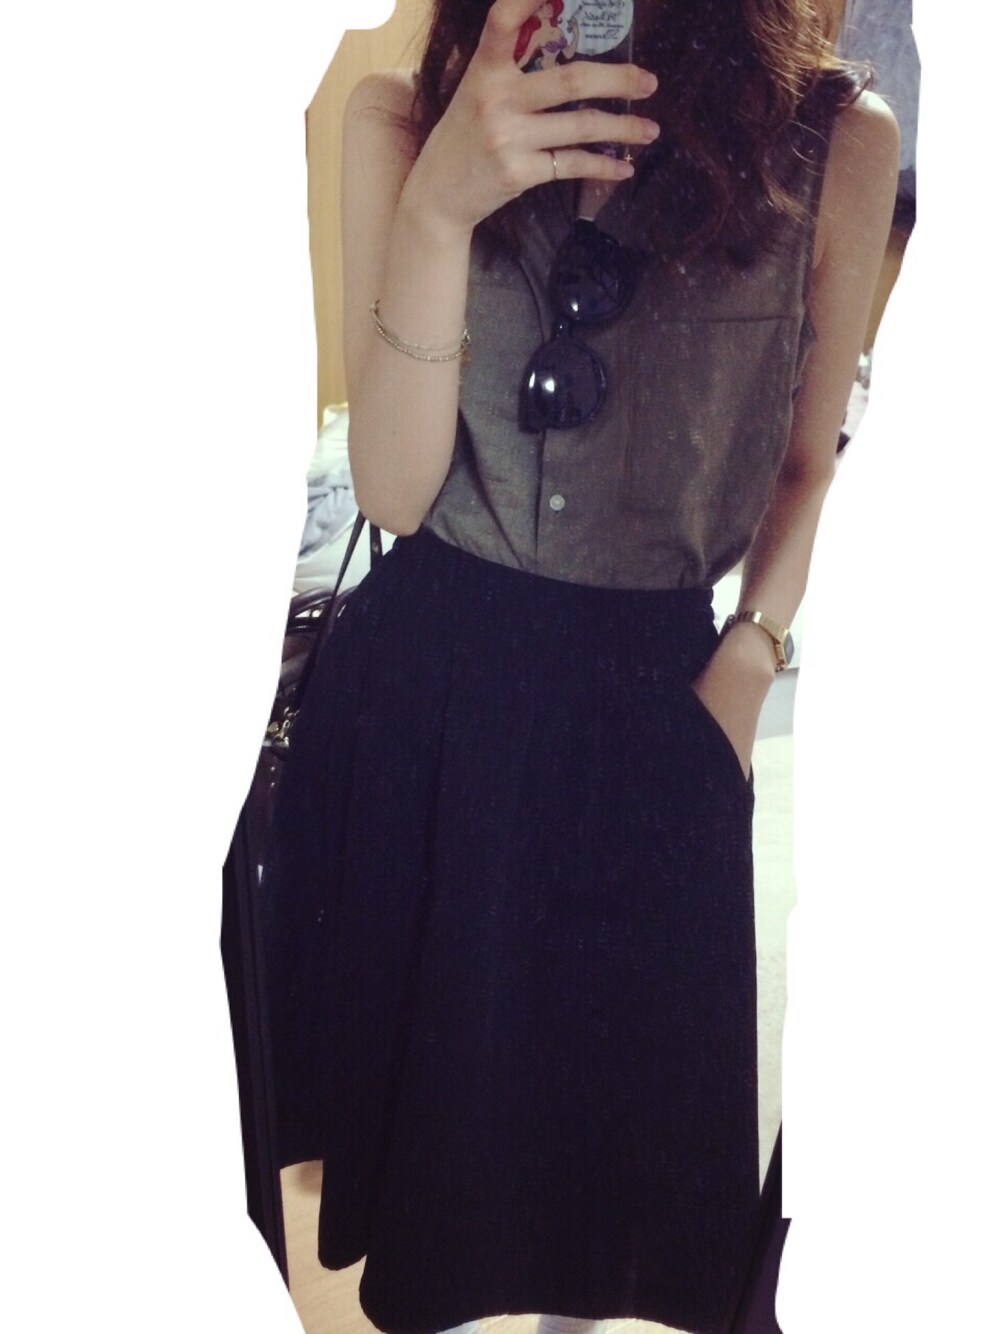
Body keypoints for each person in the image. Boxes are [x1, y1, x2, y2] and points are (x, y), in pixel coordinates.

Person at [262, 2, 899, 1332]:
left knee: (621, 1211)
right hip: (427, 715)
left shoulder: (833, 144)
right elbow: (393, 489)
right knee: (429, 1185)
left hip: (658, 728)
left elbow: (808, 458)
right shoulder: (399, 122)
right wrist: (440, 208)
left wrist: (745, 668)